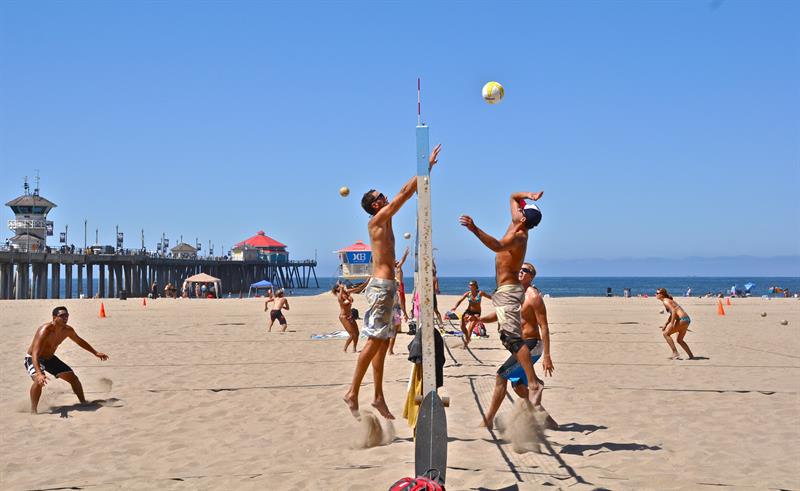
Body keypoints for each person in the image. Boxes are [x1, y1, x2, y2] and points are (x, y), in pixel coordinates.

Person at [343, 143, 442, 420]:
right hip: (381, 288)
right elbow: (404, 193)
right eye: (381, 196)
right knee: (374, 341)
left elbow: (402, 191)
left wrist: (424, 170)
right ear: (376, 204)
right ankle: (352, 392)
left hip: (387, 288)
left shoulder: (383, 219)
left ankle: (377, 396)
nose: (386, 197)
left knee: (382, 341)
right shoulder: (377, 220)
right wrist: (426, 167)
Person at [459, 190, 544, 405]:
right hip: (505, 291)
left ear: (522, 218)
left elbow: (496, 246)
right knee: (507, 337)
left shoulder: (519, 235)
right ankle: (530, 381)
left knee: (512, 339)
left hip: (509, 290)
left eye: (521, 210)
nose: (517, 210)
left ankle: (533, 382)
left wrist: (474, 229)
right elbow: (513, 197)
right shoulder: (517, 223)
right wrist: (530, 195)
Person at [480, 262, 555, 429]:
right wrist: (480, 319)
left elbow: (544, 326)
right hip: (520, 345)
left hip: (532, 344)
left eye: (525, 270)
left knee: (501, 376)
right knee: (518, 386)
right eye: (520, 268)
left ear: (531, 276)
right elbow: (499, 314)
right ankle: (547, 420)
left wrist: (547, 356)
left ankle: (488, 420)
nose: (521, 271)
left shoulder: (533, 297)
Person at [24, 307, 109, 414]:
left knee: (73, 378)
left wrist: (95, 352)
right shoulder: (45, 330)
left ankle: (83, 402)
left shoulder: (68, 330)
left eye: (67, 315)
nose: (65, 318)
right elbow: (35, 353)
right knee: (38, 380)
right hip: (34, 358)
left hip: (50, 358)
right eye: (62, 316)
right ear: (54, 317)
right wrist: (39, 373)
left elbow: (79, 341)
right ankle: (33, 410)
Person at [451, 280, 492, 347]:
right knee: (462, 326)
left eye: (472, 285)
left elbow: (489, 297)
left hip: (476, 313)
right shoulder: (468, 294)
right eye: (469, 285)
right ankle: (467, 337)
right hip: (468, 311)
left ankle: (466, 343)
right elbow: (460, 300)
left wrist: (497, 300)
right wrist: (455, 307)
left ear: (475, 286)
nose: (470, 286)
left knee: (470, 328)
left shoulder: (480, 293)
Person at [656, 288, 694, 360]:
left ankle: (675, 352)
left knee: (666, 334)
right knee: (679, 340)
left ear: (662, 294)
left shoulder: (665, 301)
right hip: (687, 319)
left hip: (682, 320)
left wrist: (671, 323)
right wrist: (666, 324)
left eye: (657, 293)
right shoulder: (668, 300)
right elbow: (672, 314)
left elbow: (673, 311)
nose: (656, 294)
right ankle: (691, 356)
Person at [332, 280, 369, 352]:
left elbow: (358, 288)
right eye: (340, 285)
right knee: (352, 335)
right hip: (344, 317)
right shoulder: (339, 296)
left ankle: (354, 349)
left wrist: (367, 282)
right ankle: (344, 349)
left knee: (357, 333)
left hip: (350, 316)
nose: (343, 285)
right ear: (338, 289)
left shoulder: (347, 292)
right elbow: (342, 298)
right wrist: (341, 287)